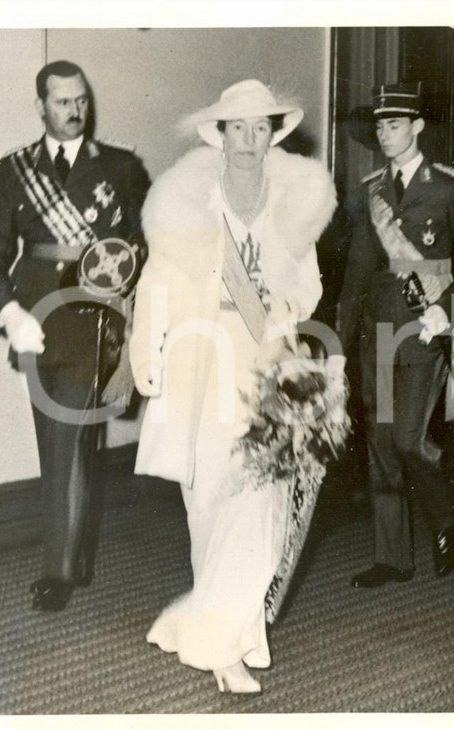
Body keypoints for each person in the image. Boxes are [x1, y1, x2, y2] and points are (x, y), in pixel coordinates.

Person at [129, 80, 337, 694]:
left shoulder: (290, 201)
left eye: (259, 128)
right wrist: (148, 350)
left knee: (263, 502)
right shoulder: (188, 201)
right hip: (201, 358)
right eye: (237, 128)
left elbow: (309, 282)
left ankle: (221, 644)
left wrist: (285, 309)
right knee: (211, 501)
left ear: (273, 132)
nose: (249, 140)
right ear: (220, 134)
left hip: (264, 359)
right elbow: (156, 282)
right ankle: (221, 635)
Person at [0, 60, 150, 612]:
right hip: (35, 319)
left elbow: (146, 241)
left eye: (81, 100)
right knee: (55, 443)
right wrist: (8, 314)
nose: (75, 111)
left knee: (70, 440)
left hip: (93, 316)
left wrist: (120, 273)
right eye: (62, 102)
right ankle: (75, 550)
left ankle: (59, 570)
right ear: (40, 106)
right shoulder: (14, 170)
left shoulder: (120, 168)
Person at [337, 81, 454, 589]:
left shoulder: (448, 187)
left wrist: (445, 313)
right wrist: (340, 338)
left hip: (425, 328)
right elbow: (359, 269)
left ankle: (446, 519)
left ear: (418, 126)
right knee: (381, 442)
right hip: (375, 331)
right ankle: (392, 557)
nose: (386, 134)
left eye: (396, 124)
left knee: (407, 439)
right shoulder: (370, 190)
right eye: (381, 125)